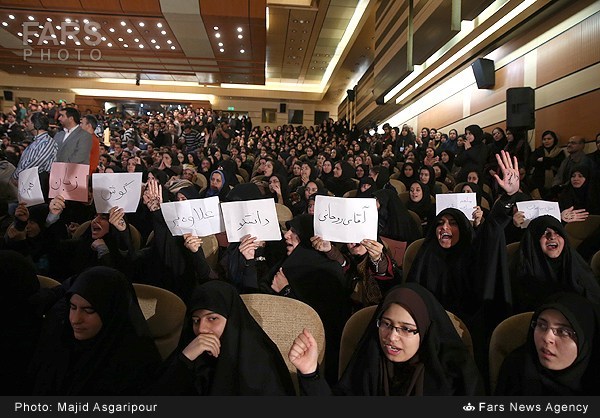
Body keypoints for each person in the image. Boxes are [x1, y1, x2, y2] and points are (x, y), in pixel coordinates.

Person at [288, 282, 484, 395]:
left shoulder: (454, 376)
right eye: (386, 324)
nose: (391, 337)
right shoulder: (370, 362)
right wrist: (310, 373)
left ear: (425, 331)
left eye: (406, 329)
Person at [29, 266, 162, 395]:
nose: (75, 320)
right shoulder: (62, 344)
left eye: (88, 310)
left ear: (111, 312)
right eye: (72, 307)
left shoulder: (134, 366)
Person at [148, 280, 296, 395]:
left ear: (231, 319)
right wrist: (185, 358)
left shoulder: (259, 360)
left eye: (212, 318)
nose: (201, 329)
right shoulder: (192, 353)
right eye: (195, 320)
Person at [495, 292, 600, 395]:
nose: (546, 338)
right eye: (541, 325)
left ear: (586, 343)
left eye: (563, 332)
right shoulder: (517, 367)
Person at [508, 215, 600, 314]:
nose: (552, 237)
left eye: (557, 233)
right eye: (544, 233)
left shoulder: (580, 270)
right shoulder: (519, 274)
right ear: (534, 240)